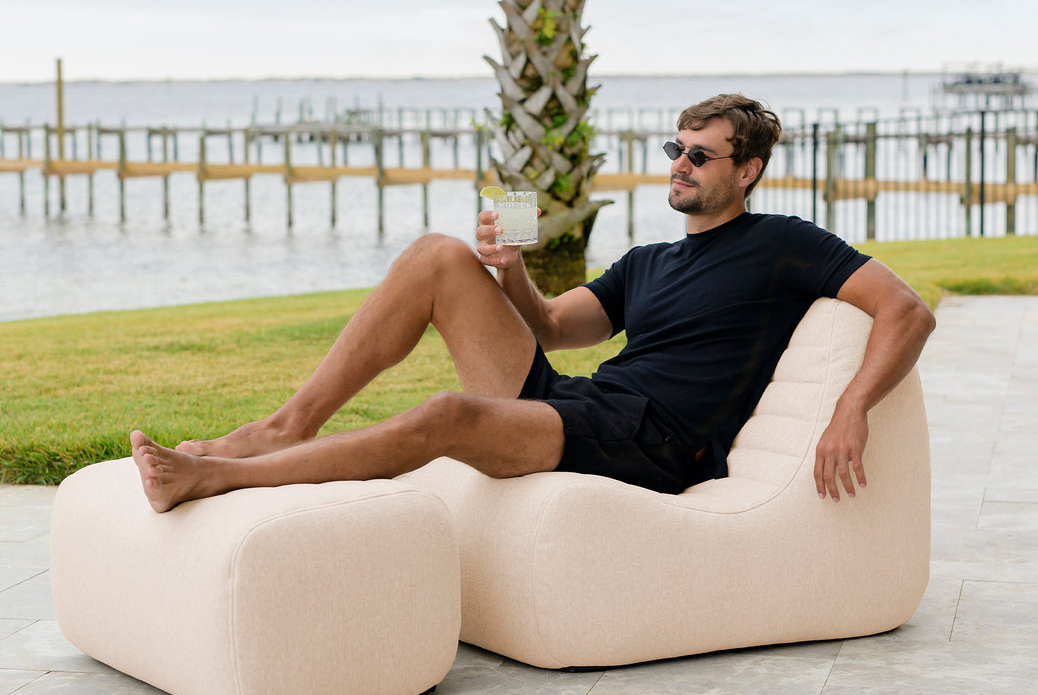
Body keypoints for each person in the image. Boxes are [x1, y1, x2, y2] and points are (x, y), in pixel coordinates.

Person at [131, 93, 935, 514]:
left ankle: (215, 479)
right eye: (675, 149)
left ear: (748, 170)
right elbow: (549, 327)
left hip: (656, 442)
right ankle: (284, 427)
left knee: (448, 414)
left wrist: (851, 406)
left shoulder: (782, 243)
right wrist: (511, 271)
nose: (680, 165)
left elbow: (907, 310)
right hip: (587, 405)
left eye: (701, 155)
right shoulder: (649, 261)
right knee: (438, 255)